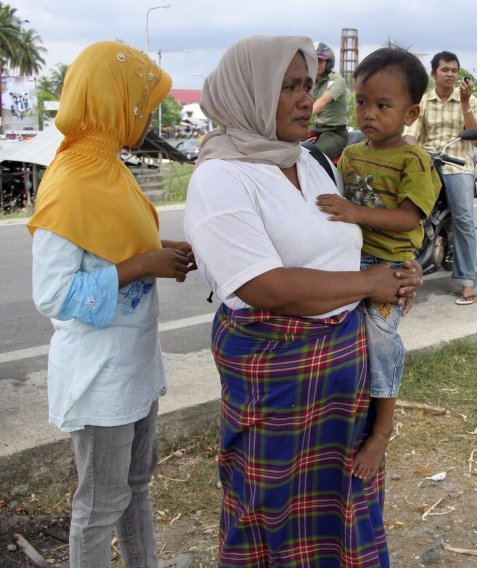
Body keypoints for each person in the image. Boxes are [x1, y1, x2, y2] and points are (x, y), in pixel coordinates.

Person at [183, 36, 422, 566]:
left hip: (341, 372)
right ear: (249, 92)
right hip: (276, 377)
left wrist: (400, 274)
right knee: (271, 505)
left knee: (344, 502)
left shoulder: (312, 161)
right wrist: (368, 286)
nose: (302, 99)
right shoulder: (221, 176)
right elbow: (262, 286)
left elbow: (350, 245)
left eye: (307, 86)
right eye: (287, 87)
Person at [27, 41, 195, 567]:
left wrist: (159, 250)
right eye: (140, 102)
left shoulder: (112, 169)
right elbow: (54, 294)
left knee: (136, 486)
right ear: (112, 101)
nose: (145, 115)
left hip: (134, 364)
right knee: (99, 504)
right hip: (99, 375)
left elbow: (113, 246)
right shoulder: (72, 179)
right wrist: (144, 265)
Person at [316, 47, 440, 481]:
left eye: (383, 106)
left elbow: (409, 217)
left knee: (380, 340)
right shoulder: (351, 154)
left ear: (410, 114)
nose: (369, 114)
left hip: (390, 265)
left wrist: (356, 212)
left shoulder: (414, 160)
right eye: (363, 103)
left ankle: (382, 429)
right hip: (352, 260)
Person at [405, 50, 477, 305]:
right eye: (445, 69)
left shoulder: (470, 101)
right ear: (433, 73)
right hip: (428, 161)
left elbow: (476, 137)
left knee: (464, 218)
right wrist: (411, 152)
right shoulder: (423, 100)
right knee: (407, 210)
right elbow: (411, 133)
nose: (450, 74)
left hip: (457, 163)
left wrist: (464, 104)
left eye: (454, 70)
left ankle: (466, 281)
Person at [310, 40, 349, 159]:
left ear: (328, 62)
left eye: (320, 60)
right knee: (289, 147)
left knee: (313, 156)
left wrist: (304, 114)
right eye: (314, 60)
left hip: (335, 132)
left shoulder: (336, 80)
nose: (317, 64)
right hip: (317, 129)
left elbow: (323, 101)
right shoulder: (311, 82)